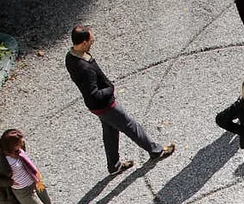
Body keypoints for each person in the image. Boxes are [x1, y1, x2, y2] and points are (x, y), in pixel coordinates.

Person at [65, 25, 177, 176]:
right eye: (91, 40)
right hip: (105, 105)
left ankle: (114, 165)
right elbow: (95, 94)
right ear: (84, 42)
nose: (93, 42)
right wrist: (110, 88)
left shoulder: (70, 56)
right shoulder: (85, 68)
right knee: (131, 125)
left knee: (110, 132)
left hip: (96, 107)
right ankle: (156, 150)